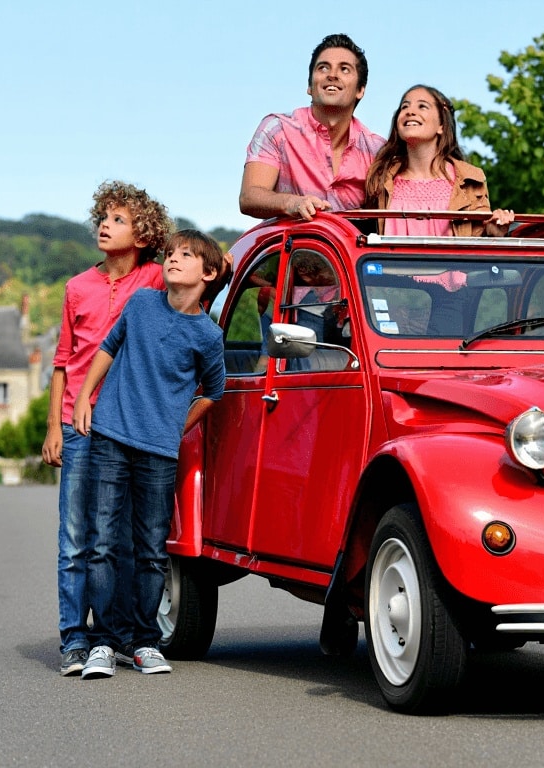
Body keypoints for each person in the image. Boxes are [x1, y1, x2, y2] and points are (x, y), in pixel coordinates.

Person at [72, 229, 228, 678]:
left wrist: (177, 426)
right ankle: (103, 642)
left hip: (159, 450)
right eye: (171, 253)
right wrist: (86, 396)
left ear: (209, 272)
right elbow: (107, 347)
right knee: (102, 542)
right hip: (110, 437)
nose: (173, 260)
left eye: (186, 255)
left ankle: (143, 641)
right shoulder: (141, 304)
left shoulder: (209, 336)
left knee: (151, 550)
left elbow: (213, 392)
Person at [42, 180, 173, 677]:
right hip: (79, 423)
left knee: (120, 541)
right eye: (103, 217)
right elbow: (62, 362)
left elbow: (210, 275)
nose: (105, 225)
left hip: (130, 425)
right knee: (75, 538)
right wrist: (54, 425)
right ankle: (74, 640)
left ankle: (118, 636)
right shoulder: (78, 286)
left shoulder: (158, 280)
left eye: (118, 219)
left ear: (143, 233)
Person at [239, 33, 385, 221]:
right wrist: (293, 203)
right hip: (290, 247)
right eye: (323, 67)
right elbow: (249, 196)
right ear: (309, 86)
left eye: (345, 69)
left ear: (360, 90)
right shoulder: (277, 129)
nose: (332, 75)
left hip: (350, 249)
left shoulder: (377, 150)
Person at [363, 84, 515, 237]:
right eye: (404, 107)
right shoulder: (380, 177)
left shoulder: (471, 179)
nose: (410, 111)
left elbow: (477, 244)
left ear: (441, 125)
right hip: (393, 262)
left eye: (422, 106)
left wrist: (493, 233)